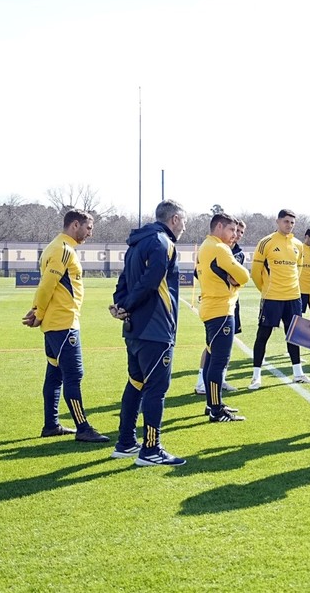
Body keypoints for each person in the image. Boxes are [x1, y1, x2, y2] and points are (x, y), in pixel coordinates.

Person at [111, 199, 187, 466]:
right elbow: (150, 282)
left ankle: (125, 443)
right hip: (156, 328)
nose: (184, 227)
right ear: (174, 219)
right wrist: (127, 305)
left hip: (134, 329)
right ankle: (151, 449)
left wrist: (121, 305)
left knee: (135, 383)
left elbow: (123, 281)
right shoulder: (163, 243)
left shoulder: (136, 243)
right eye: (184, 221)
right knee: (156, 389)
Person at [23, 209, 109, 443]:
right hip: (63, 324)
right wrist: (38, 312)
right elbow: (47, 285)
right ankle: (83, 428)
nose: (90, 233)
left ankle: (51, 425)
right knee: (73, 375)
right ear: (75, 225)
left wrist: (37, 311)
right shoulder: (63, 249)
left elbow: (47, 285)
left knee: (55, 374)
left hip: (56, 323)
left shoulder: (56, 247)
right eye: (88, 228)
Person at [249, 209, 310, 389]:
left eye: (292, 222)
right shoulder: (266, 242)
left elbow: (298, 269)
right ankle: (256, 376)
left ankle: (298, 373)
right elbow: (255, 272)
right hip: (272, 298)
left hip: (293, 297)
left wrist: (292, 287)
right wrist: (265, 289)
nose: (289, 225)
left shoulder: (298, 245)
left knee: (294, 336)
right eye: (286, 221)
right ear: (278, 221)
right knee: (263, 335)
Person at [194, 213, 250, 423]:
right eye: (231, 230)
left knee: (211, 358)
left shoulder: (205, 246)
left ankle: (212, 404)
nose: (235, 235)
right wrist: (234, 279)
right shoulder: (219, 248)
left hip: (211, 308)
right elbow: (244, 275)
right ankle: (216, 410)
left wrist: (230, 278)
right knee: (218, 361)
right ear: (219, 227)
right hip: (221, 310)